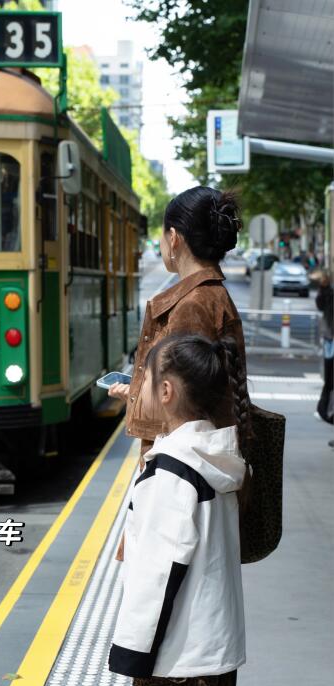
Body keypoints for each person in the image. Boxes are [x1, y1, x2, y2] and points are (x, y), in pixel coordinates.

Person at [108, 334, 250, 686]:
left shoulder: (171, 472)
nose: (138, 387)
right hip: (215, 652)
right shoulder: (214, 456)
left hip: (176, 663)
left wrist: (133, 652)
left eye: (145, 378)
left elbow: (158, 573)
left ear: (166, 391)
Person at [109, 186, 250, 562]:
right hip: (194, 469)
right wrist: (137, 390)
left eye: (162, 234)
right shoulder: (211, 295)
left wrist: (140, 395)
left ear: (174, 238)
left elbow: (181, 401)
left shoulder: (192, 305)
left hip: (178, 476)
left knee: (162, 583)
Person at [315, 271, 334, 441]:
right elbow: (321, 305)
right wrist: (324, 287)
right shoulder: (330, 292)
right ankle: (327, 412)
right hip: (331, 341)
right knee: (330, 382)